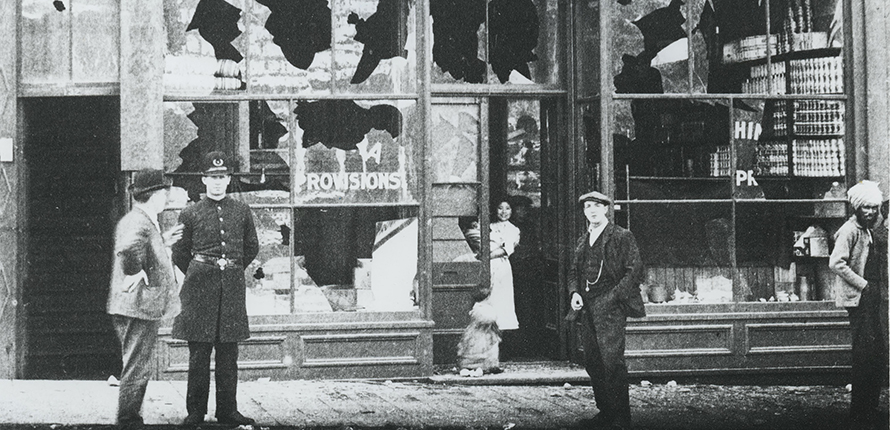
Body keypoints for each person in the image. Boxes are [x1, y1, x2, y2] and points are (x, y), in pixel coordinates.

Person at [171, 151, 260, 426]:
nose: (217, 183)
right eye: (212, 178)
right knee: (199, 354)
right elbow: (179, 252)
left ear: (229, 179)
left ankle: (227, 411)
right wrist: (202, 271)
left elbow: (251, 247)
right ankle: (195, 412)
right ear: (203, 179)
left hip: (231, 288)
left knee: (228, 354)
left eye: (221, 177)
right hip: (199, 290)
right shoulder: (190, 212)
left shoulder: (241, 210)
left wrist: (230, 269)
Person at [107, 169, 183, 430]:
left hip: (135, 305)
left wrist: (162, 241)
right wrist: (134, 270)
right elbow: (128, 248)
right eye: (165, 192)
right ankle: (129, 421)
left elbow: (137, 244)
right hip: (138, 306)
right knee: (137, 367)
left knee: (136, 364)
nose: (167, 197)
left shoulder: (138, 218)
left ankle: (130, 418)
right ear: (154, 194)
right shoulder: (140, 221)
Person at [568, 191, 645, 430]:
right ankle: (606, 412)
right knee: (593, 361)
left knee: (612, 362)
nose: (592, 210)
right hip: (587, 307)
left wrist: (613, 298)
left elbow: (634, 271)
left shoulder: (622, 236)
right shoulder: (583, 240)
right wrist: (575, 293)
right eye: (588, 207)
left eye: (597, 206)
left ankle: (621, 418)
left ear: (606, 210)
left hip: (610, 307)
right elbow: (574, 272)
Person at [829, 180, 888, 429]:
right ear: (856, 208)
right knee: (864, 354)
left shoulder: (868, 230)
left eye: (874, 208)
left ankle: (870, 407)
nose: (871, 212)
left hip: (873, 297)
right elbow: (836, 263)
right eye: (866, 208)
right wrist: (863, 285)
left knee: (875, 353)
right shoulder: (850, 230)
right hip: (860, 298)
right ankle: (859, 411)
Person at [481, 199, 521, 333]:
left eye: (507, 208)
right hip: (487, 266)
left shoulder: (513, 230)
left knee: (500, 301)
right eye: (500, 208)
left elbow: (506, 250)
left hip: (500, 267)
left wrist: (485, 256)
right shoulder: (488, 225)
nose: (504, 212)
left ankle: (499, 336)